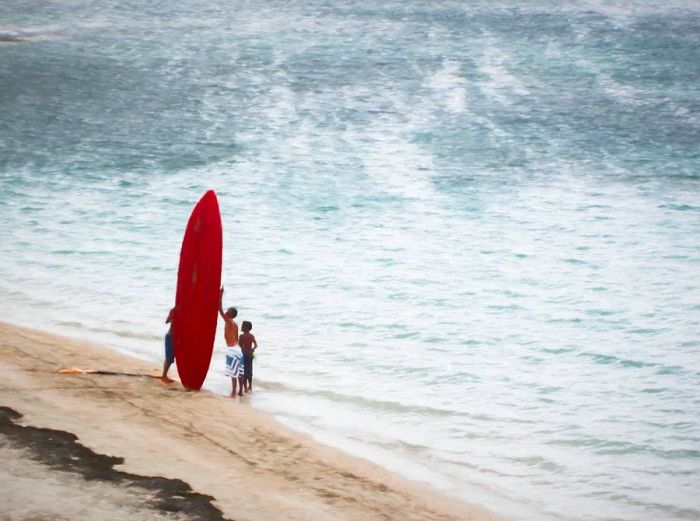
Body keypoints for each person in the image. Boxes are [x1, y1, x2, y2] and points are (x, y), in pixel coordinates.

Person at [219, 287, 243, 396]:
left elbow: (219, 308)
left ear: (230, 314)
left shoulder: (228, 321)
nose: (226, 311)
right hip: (237, 348)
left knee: (233, 372)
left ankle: (233, 393)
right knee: (237, 371)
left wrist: (221, 294)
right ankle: (239, 391)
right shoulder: (235, 324)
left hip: (232, 349)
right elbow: (237, 338)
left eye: (228, 311)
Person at [239, 321, 258, 393]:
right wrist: (253, 349)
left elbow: (240, 345)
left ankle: (245, 388)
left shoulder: (241, 336)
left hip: (244, 355)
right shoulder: (252, 336)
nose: (241, 327)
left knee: (244, 371)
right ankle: (250, 386)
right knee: (249, 371)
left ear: (246, 328)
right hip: (250, 355)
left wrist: (242, 348)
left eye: (243, 326)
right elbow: (256, 345)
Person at [161, 307, 176, 383]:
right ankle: (164, 376)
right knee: (169, 358)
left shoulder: (187, 311)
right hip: (171, 336)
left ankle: (164, 375)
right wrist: (172, 315)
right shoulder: (174, 310)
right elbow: (167, 321)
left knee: (171, 358)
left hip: (178, 338)